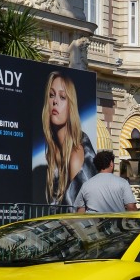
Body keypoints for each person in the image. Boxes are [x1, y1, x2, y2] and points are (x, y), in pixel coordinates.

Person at [41, 72, 96, 206]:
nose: (55, 101)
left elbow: (79, 216)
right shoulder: (54, 151)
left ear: (71, 106)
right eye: (51, 95)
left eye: (63, 97)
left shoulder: (76, 155)